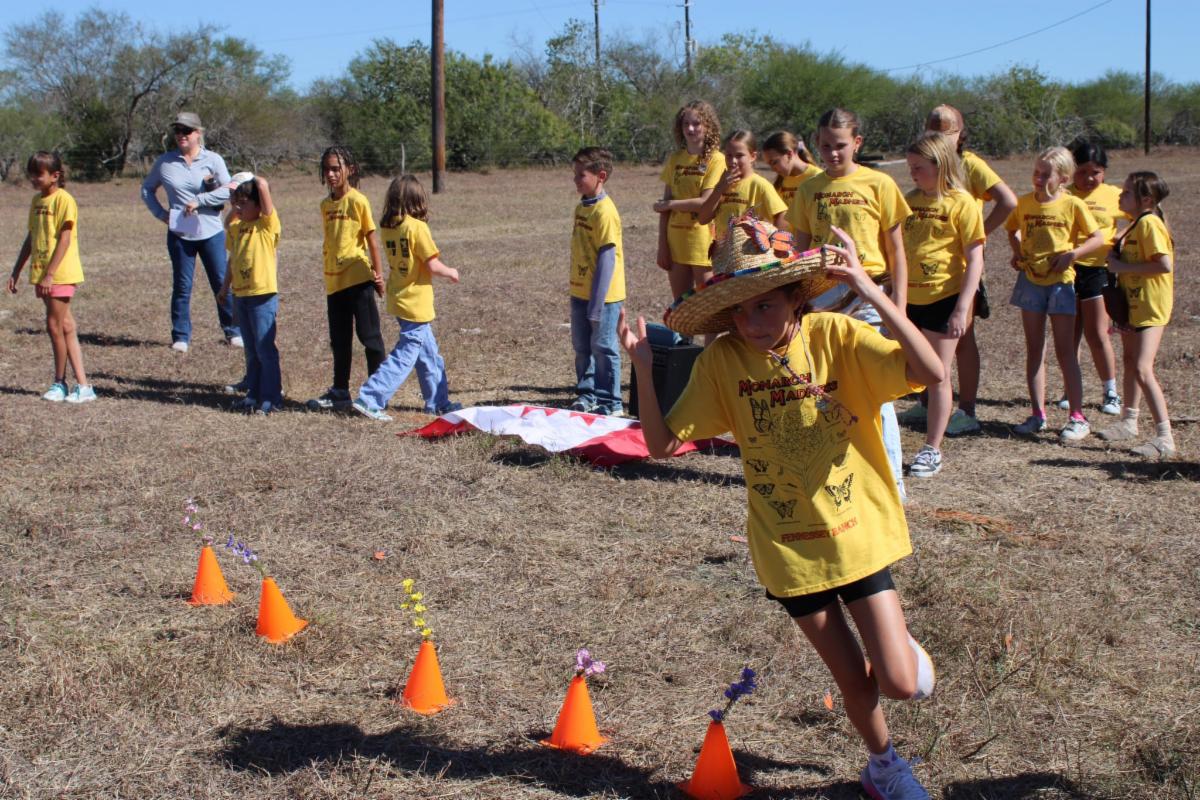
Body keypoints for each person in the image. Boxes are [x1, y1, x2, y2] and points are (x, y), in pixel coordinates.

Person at [624, 218, 941, 800]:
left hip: (857, 535)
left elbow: (931, 371)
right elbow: (662, 445)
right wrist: (643, 368)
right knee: (852, 679)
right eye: (740, 311)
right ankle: (884, 767)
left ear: (796, 296)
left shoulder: (836, 336)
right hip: (789, 551)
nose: (751, 323)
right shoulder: (723, 361)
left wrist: (871, 292)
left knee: (900, 683)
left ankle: (897, 649)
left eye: (765, 306)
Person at [790, 108, 911, 498]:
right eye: (825, 145)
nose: (832, 153)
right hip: (821, 296)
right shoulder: (809, 188)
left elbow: (896, 251)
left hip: (869, 293)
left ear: (857, 143)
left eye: (840, 145)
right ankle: (832, 470)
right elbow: (800, 251)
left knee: (875, 382)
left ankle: (890, 480)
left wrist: (898, 308)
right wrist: (797, 300)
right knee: (824, 381)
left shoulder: (880, 184)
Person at [905, 104, 1018, 435]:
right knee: (927, 343)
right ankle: (927, 401)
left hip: (959, 271)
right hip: (922, 277)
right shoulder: (917, 183)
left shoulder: (970, 165)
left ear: (959, 134)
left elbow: (1008, 201)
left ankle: (966, 408)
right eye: (933, 132)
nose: (941, 139)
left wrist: (980, 235)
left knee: (962, 338)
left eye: (947, 133)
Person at [1005, 146, 1104, 441]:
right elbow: (1012, 230)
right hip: (1030, 282)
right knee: (1035, 348)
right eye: (1036, 172)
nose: (1038, 178)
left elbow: (1097, 238)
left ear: (1063, 178)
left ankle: (1077, 416)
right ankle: (1038, 414)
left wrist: (1073, 255)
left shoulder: (1072, 205)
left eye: (1045, 174)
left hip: (1061, 283)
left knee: (1065, 351)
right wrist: (1018, 253)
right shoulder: (1024, 203)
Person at [900, 132, 985, 477]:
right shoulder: (908, 200)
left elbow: (975, 259)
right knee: (906, 371)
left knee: (938, 374)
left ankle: (931, 449)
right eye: (910, 167)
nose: (913, 174)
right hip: (909, 300)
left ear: (940, 165)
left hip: (944, 299)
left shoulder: (962, 203)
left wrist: (963, 307)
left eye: (919, 167)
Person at [352, 174, 461, 421]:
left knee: (428, 353)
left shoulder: (389, 227)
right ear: (417, 200)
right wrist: (451, 272)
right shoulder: (417, 228)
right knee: (406, 354)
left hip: (399, 299)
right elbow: (432, 265)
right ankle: (370, 398)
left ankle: (438, 402)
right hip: (415, 304)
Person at [140, 111, 241, 353]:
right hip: (180, 233)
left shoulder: (213, 159)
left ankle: (233, 331)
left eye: (186, 130)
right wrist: (161, 214)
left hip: (212, 231)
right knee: (182, 285)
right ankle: (181, 336)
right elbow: (146, 189)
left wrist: (200, 200)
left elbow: (231, 189)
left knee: (221, 281)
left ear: (198, 133)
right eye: (177, 131)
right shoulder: (165, 162)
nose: (181, 135)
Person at [1097, 172, 1176, 458]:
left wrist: (1122, 268)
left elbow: (1164, 265)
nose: (1120, 195)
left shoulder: (1150, 224)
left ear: (1146, 199)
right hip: (1134, 304)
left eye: (1127, 192)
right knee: (1130, 361)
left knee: (1142, 368)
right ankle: (1129, 421)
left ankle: (1165, 438)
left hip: (1151, 306)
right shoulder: (1136, 224)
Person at [7, 152, 95, 403]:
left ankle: (60, 382)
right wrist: (16, 270)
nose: (34, 178)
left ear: (55, 176)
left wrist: (50, 274)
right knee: (65, 326)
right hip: (42, 272)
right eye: (31, 174)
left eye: (39, 174)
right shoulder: (37, 201)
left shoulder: (64, 200)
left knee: (54, 326)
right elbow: (31, 237)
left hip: (59, 274)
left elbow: (65, 240)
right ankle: (84, 387)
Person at [307, 146, 387, 411]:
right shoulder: (325, 205)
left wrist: (378, 275)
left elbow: (372, 240)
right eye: (326, 169)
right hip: (334, 282)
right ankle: (340, 391)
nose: (330, 174)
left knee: (369, 337)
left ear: (350, 170)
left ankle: (377, 394)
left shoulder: (358, 201)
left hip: (358, 278)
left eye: (335, 169)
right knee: (340, 340)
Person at [1061, 140, 1124, 415]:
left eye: (1095, 172)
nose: (1089, 178)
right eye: (1082, 172)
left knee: (1097, 333)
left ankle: (1111, 392)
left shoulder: (1114, 195)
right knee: (1070, 335)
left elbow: (1143, 216)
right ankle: (1070, 390)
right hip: (1066, 270)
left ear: (1104, 172)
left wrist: (1120, 237)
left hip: (1098, 270)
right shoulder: (1063, 194)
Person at [567, 147, 626, 416]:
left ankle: (610, 403)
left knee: (603, 347)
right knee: (582, 348)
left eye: (581, 174)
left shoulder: (605, 212)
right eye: (575, 173)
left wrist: (597, 303)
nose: (576, 179)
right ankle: (587, 394)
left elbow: (607, 258)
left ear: (600, 176)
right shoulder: (582, 207)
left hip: (603, 297)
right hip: (580, 292)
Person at [218, 175, 282, 415]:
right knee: (251, 350)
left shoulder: (266, 225)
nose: (238, 207)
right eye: (236, 203)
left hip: (261, 295)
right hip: (241, 295)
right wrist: (224, 288)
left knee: (265, 349)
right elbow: (232, 259)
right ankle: (253, 395)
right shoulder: (237, 228)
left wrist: (251, 180)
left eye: (244, 203)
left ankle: (271, 398)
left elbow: (263, 186)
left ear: (258, 205)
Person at [654, 100, 726, 302]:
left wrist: (670, 205)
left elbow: (706, 201)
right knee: (681, 306)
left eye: (696, 123)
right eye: (686, 124)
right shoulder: (675, 159)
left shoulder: (716, 159)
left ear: (708, 126)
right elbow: (664, 207)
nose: (690, 129)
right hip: (676, 241)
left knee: (709, 305)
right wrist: (662, 245)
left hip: (704, 242)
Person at [696, 130, 788, 238]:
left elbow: (782, 215)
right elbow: (703, 219)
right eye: (729, 155)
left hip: (748, 248)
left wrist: (773, 241)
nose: (733, 161)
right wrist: (719, 188)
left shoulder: (759, 184)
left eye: (739, 155)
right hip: (722, 248)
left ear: (753, 156)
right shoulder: (723, 183)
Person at [761, 130, 821, 216]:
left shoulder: (817, 177)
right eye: (769, 164)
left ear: (789, 154)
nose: (773, 169)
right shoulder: (780, 183)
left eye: (774, 162)